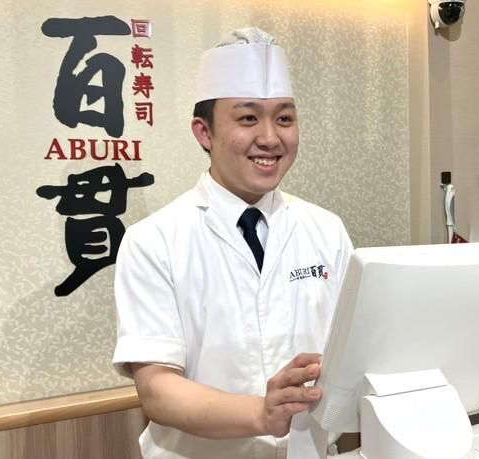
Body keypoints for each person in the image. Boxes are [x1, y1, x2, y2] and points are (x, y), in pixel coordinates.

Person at [112, 27, 353, 458]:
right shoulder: (154, 241)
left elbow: (355, 346)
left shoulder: (326, 229)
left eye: (284, 118)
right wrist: (261, 413)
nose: (270, 138)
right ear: (204, 133)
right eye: (248, 119)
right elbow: (157, 389)